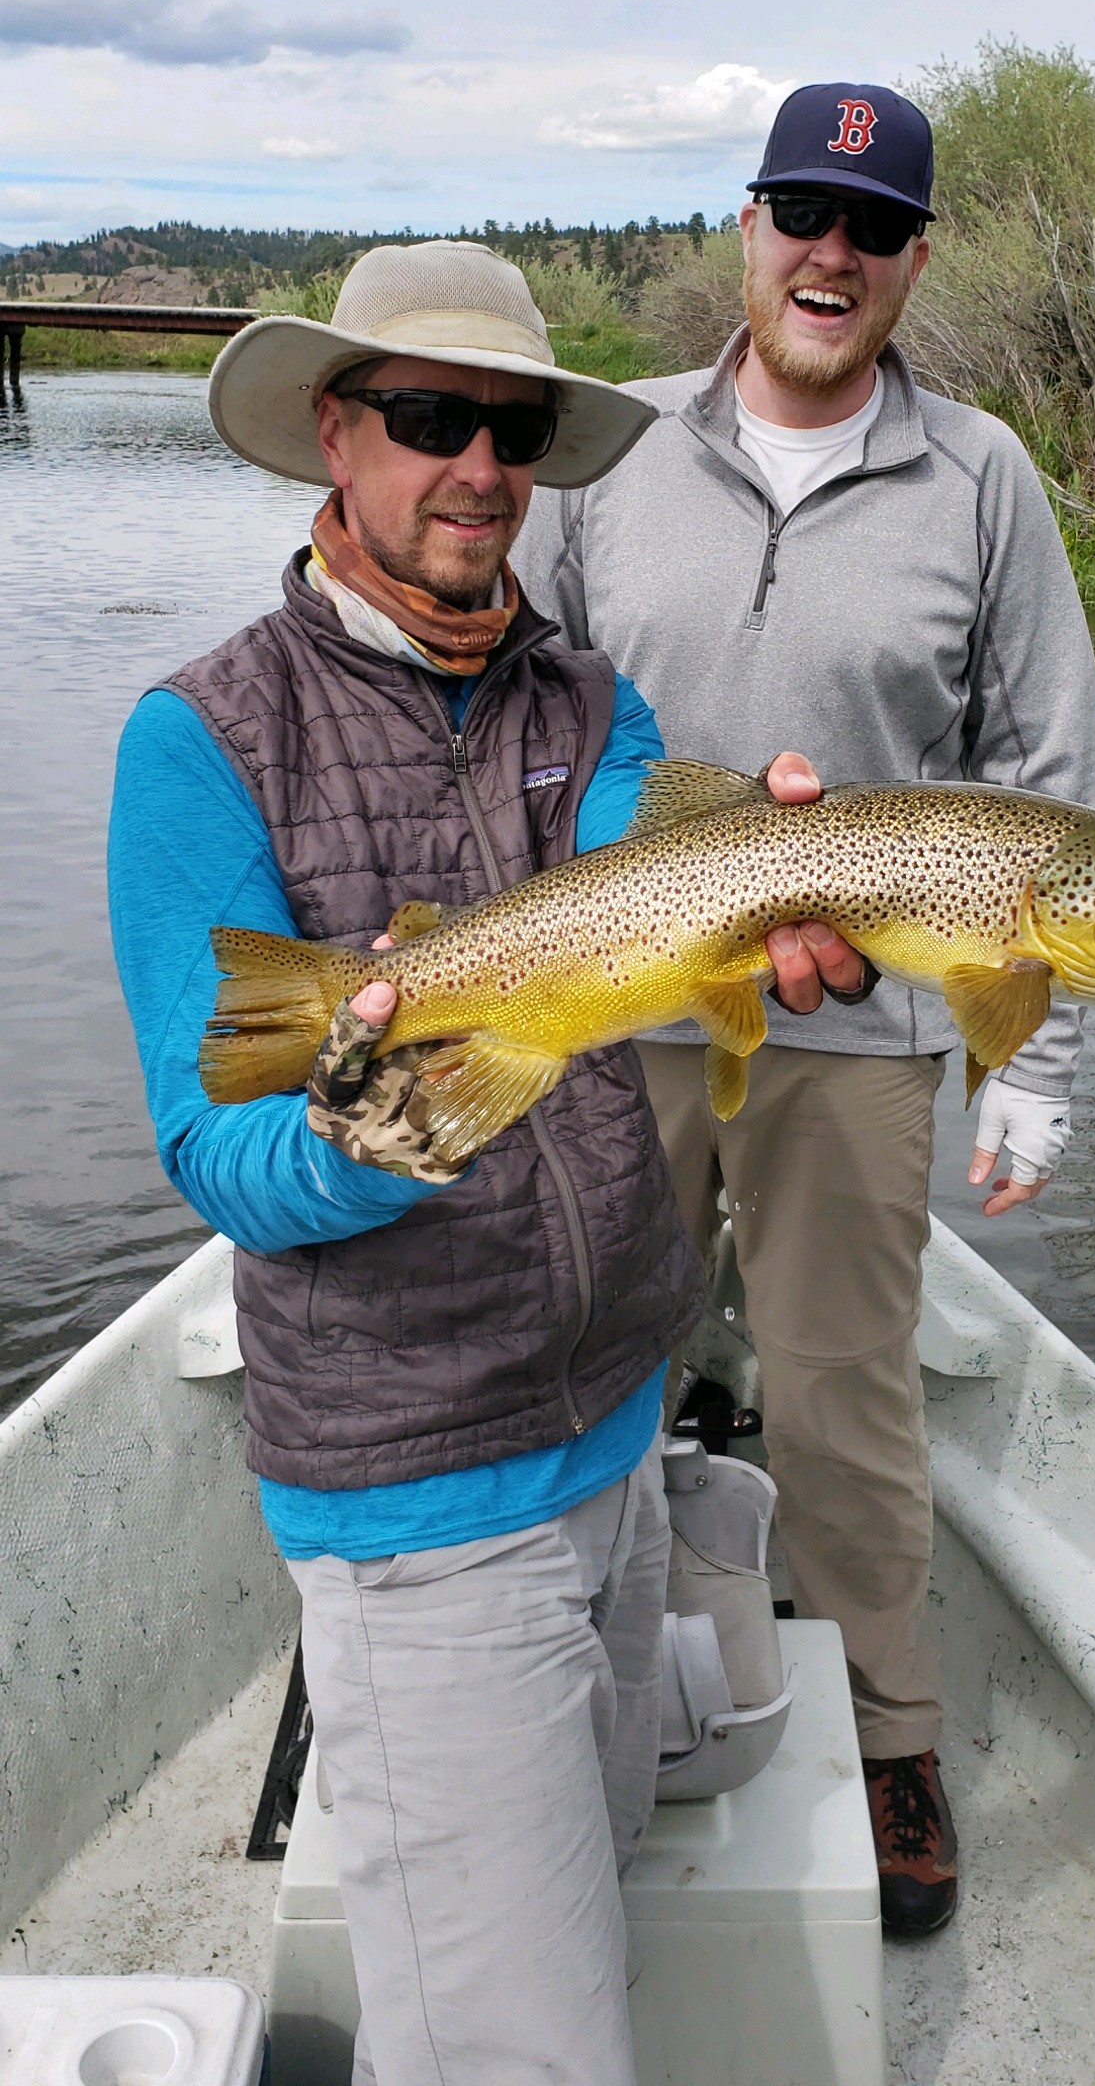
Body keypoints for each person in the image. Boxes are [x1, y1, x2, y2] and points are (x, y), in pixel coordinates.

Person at [107, 238, 858, 2086]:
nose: (479, 469)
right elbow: (220, 1155)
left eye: (512, 431)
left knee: (578, 1921)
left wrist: (773, 892)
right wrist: (388, 1118)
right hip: (425, 1508)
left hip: (614, 1442)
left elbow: (641, 895)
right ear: (332, 443)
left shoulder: (593, 709)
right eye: (432, 420)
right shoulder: (200, 743)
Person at [517, 84, 1095, 1937]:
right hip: (615, 1010)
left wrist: (1036, 1063)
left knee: (847, 1400)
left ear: (919, 259)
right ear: (749, 227)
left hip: (858, 1047)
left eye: (872, 226)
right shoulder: (603, 460)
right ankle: (544, 1705)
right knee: (576, 1363)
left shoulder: (987, 480)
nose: (828, 255)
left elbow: (1052, 788)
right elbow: (512, 717)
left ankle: (896, 1734)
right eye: (800, 212)